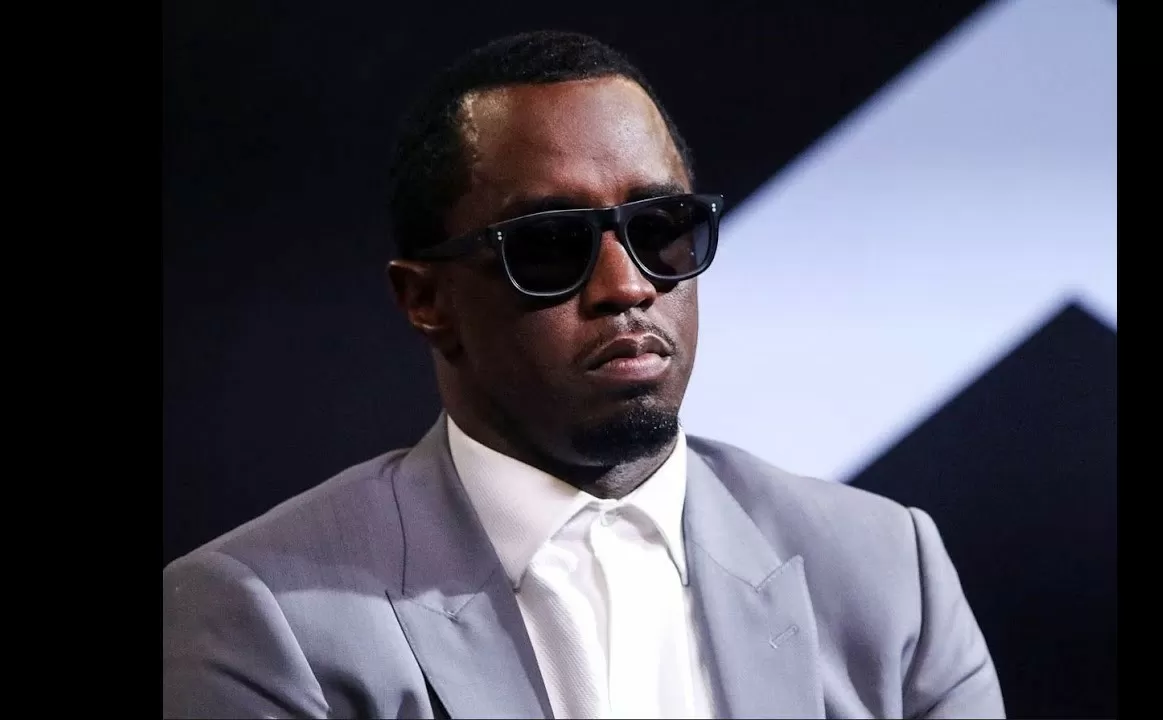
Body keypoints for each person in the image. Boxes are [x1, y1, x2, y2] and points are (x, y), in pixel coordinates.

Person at [162, 30, 1005, 720]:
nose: (628, 286)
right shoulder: (258, 612)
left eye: (661, 226)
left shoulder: (889, 571)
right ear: (426, 301)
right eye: (551, 245)